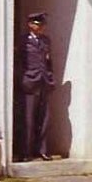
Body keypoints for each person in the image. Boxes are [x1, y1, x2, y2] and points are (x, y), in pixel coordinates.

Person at [19, 11, 55, 161]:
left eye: (42, 25)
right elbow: (19, 62)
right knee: (28, 118)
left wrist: (51, 77)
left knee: (44, 117)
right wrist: (23, 78)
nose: (40, 27)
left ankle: (42, 150)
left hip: (44, 82)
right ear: (30, 25)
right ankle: (26, 152)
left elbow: (48, 61)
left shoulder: (45, 41)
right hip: (29, 82)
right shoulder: (23, 41)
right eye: (37, 24)